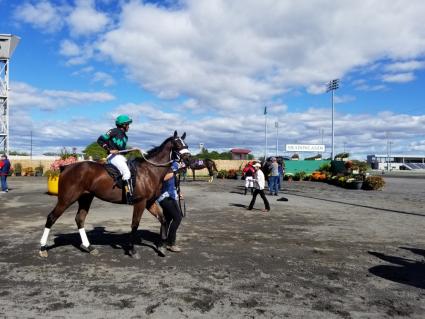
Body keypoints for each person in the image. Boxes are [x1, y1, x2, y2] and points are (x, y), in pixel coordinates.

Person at [97, 114, 134, 204]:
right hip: (113, 157)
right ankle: (129, 196)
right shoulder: (113, 131)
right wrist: (109, 150)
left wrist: (129, 150)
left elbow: (121, 151)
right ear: (123, 125)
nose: (129, 126)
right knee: (126, 172)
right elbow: (100, 140)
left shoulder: (125, 137)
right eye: (128, 124)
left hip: (120, 157)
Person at [158, 161, 184, 252]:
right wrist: (175, 170)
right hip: (165, 196)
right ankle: (170, 243)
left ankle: (162, 241)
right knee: (178, 217)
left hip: (170, 195)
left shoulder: (174, 165)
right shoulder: (169, 165)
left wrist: (178, 193)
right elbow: (163, 178)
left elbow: (173, 182)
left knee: (167, 219)